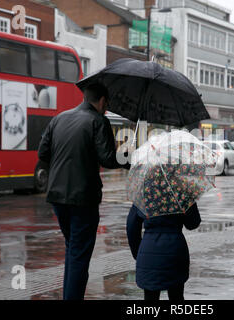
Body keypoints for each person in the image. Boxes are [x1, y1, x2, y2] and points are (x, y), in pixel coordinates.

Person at [38, 82, 130, 300]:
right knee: (79, 255)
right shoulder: (98, 121)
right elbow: (107, 158)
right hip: (83, 198)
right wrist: (128, 157)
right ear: (102, 101)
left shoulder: (59, 118)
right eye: (106, 104)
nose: (106, 108)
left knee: (73, 249)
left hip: (57, 196)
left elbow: (43, 152)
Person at [126, 165, 201, 301]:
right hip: (176, 252)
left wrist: (138, 253)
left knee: (150, 299)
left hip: (148, 252)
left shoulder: (144, 192)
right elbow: (193, 223)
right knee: (177, 297)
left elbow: (132, 226)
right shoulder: (180, 190)